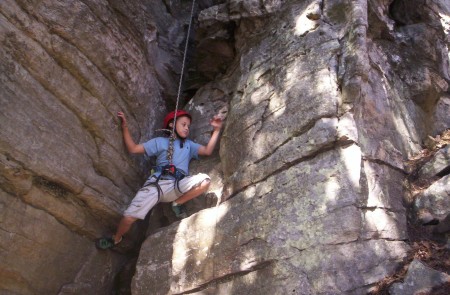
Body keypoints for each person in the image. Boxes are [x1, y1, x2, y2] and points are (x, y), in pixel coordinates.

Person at [96, 109, 222, 250]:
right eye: (184, 124)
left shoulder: (189, 145)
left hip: (177, 186)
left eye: (188, 126)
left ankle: (177, 203)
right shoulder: (160, 142)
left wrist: (216, 130)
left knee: (205, 180)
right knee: (128, 217)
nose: (187, 128)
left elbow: (207, 151)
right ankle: (116, 238)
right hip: (157, 184)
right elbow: (133, 148)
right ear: (171, 125)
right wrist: (125, 127)